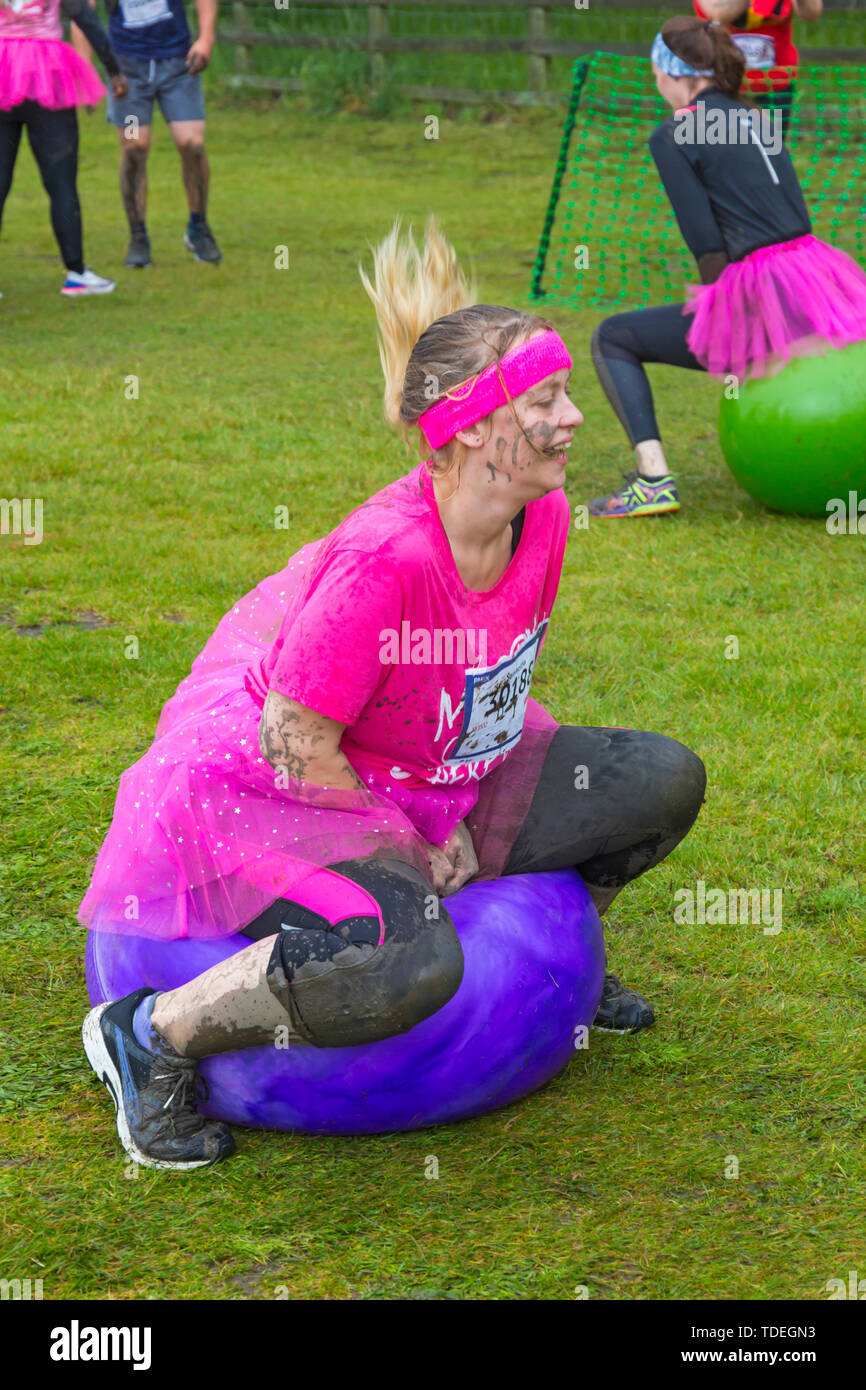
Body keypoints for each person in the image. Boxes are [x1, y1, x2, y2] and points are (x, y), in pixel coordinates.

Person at [80, 220, 708, 1170]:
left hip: (423, 757)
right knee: (405, 961)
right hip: (289, 792)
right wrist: (411, 840)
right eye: (547, 399)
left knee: (661, 781)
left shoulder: (538, 518)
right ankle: (149, 1036)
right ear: (476, 426)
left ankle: (561, 973)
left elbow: (488, 679)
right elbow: (295, 742)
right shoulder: (387, 559)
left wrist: (460, 799)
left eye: (569, 393)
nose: (576, 418)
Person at [587, 15, 866, 519]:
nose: (656, 85)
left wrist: (727, 324)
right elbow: (794, 215)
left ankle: (652, 481)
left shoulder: (673, 134)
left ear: (676, 72)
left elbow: (707, 244)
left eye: (657, 73)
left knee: (612, 337)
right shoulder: (757, 118)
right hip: (816, 277)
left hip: (764, 290)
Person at [73, 0, 219, 268]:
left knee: (192, 144)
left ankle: (198, 228)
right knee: (134, 148)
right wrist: (85, 69)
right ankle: (138, 237)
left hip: (179, 67)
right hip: (128, 75)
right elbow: (81, 11)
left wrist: (206, 38)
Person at [0, 0, 126, 297]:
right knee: (61, 182)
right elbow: (85, 17)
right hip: (47, 71)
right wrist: (114, 70)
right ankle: (76, 274)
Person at [693, 0, 824, 140]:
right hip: (723, 84)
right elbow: (717, 15)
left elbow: (812, 14)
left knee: (770, 148)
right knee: (723, 149)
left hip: (774, 86)